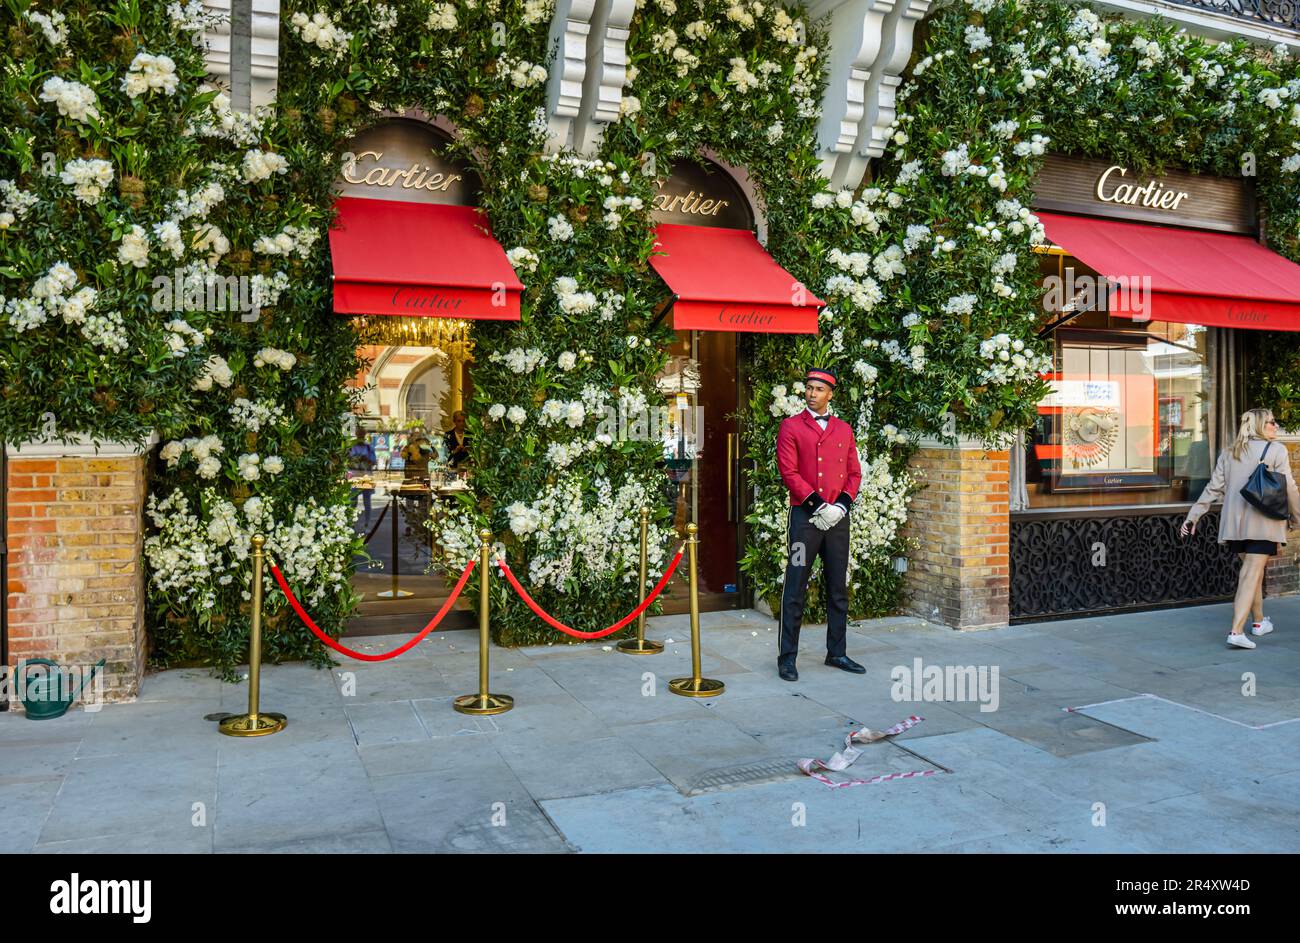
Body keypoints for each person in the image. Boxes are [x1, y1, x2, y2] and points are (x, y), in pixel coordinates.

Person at [1181, 407, 1300, 649]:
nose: (1276, 427)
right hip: (1263, 523)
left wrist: (1193, 516)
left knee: (1252, 574)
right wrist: (1298, 516)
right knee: (1250, 574)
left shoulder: (1230, 452)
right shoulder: (1276, 450)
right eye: (1271, 422)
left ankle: (1259, 622)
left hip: (1234, 525)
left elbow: (1213, 489)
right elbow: (1289, 488)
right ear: (1258, 426)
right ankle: (1236, 631)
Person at [775, 367, 864, 682]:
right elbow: (789, 472)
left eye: (818, 389)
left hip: (837, 522)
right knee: (795, 585)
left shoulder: (843, 429)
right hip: (804, 520)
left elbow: (854, 473)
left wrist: (841, 506)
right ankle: (787, 658)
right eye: (809, 388)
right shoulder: (790, 426)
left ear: (830, 394)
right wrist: (817, 505)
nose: (812, 393)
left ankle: (836, 652)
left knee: (838, 586)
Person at [347, 432, 376, 523]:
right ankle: (350, 523)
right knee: (352, 501)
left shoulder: (369, 447)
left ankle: (367, 523)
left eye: (361, 435)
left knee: (367, 502)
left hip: (366, 477)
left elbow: (374, 462)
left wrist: (366, 459)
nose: (360, 437)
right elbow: (347, 461)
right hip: (354, 477)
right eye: (359, 435)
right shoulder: (351, 447)